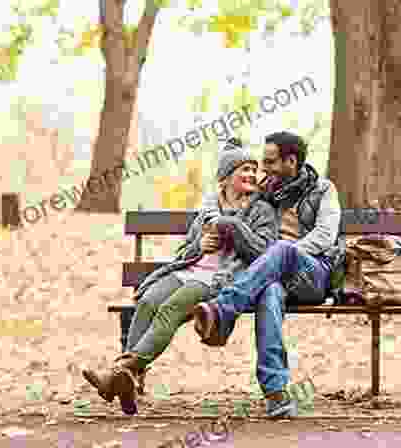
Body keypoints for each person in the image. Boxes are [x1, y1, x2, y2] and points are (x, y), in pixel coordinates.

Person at [81, 139, 279, 415]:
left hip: (221, 280)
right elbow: (186, 250)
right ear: (226, 177)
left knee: (171, 308)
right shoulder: (209, 209)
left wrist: (234, 230)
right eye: (243, 169)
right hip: (190, 271)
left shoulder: (262, 210)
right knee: (149, 301)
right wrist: (200, 246)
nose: (250, 175)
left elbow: (265, 254)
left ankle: (120, 372)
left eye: (252, 169)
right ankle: (126, 379)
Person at [192, 131, 344, 418]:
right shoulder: (265, 191)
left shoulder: (324, 190)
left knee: (283, 250)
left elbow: (325, 236)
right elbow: (222, 198)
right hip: (270, 275)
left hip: (313, 273)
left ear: (291, 161)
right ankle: (276, 393)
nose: (264, 168)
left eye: (271, 161)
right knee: (269, 292)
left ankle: (222, 310)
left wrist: (283, 255)